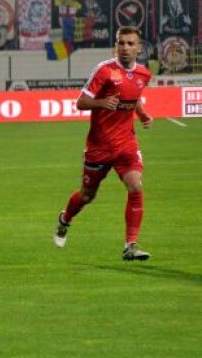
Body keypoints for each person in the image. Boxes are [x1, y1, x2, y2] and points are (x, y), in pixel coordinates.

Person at [53, 26, 154, 260]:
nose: (125, 48)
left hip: (126, 144)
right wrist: (101, 103)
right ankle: (65, 219)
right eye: (121, 43)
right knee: (87, 196)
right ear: (115, 46)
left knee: (136, 186)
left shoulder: (143, 74)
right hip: (99, 147)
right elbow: (80, 102)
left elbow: (134, 97)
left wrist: (142, 114)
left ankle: (131, 245)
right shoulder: (104, 71)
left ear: (139, 48)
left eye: (130, 44)